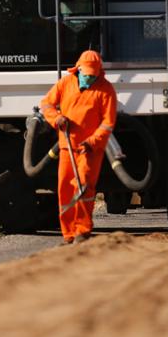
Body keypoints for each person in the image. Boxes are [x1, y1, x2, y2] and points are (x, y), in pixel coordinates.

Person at [40, 50, 117, 244]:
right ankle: (68, 233)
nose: (90, 78)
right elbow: (46, 104)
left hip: (90, 148)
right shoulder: (65, 84)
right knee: (65, 187)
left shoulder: (106, 89)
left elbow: (108, 123)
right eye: (87, 74)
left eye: (93, 74)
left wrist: (93, 141)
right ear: (79, 69)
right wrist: (56, 119)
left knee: (83, 186)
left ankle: (82, 230)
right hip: (67, 145)